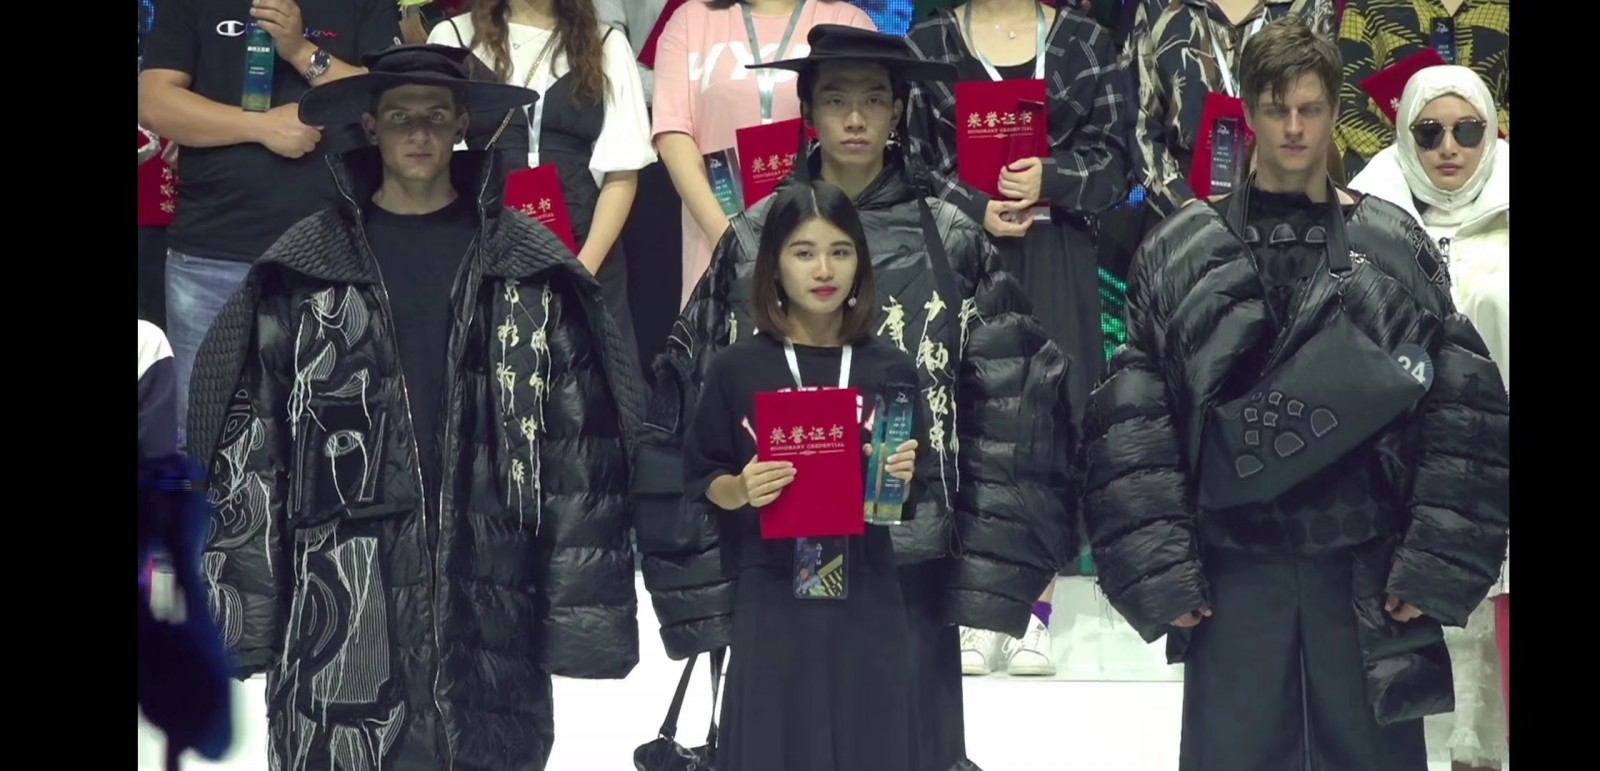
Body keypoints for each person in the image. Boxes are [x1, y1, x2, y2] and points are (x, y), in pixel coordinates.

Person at [185, 44, 645, 771]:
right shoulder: (305, 268)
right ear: (371, 125)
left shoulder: (525, 265)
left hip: (489, 586)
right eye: (402, 117)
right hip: (342, 596)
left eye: (436, 115)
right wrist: (241, 618)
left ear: (463, 123)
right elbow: (252, 450)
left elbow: (576, 449)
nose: (420, 133)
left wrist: (584, 623)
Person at [635, 25, 1076, 771]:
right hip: (776, 555)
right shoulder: (753, 239)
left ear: (898, 112)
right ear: (808, 112)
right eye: (836, 99)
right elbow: (689, 403)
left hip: (908, 545)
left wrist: (992, 563)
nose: (855, 118)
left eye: (874, 99)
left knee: (907, 746)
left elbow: (1009, 401)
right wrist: (704, 567)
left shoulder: (952, 237)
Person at [1081, 18, 1508, 771]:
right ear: (1248, 111)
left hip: (1367, 570)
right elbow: (1136, 422)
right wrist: (1166, 572)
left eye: (1310, 109)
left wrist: (1429, 562)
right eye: (1277, 110)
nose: (1295, 128)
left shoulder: (1391, 244)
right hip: (1231, 570)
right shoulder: (1180, 251)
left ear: (1333, 108)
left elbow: (1459, 412)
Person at [905, 0, 1130, 678]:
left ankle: (1036, 610)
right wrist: (976, 205)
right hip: (958, 250)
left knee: (1046, 426)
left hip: (1056, 248)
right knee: (966, 420)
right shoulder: (929, 43)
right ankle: (976, 606)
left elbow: (1118, 165)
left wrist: (1049, 176)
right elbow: (911, 161)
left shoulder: (1086, 43)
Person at [683, 178, 924, 769]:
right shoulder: (737, 368)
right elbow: (703, 476)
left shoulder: (890, 368)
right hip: (772, 595)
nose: (824, 269)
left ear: (860, 263)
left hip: (868, 592)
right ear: (774, 265)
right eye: (804, 252)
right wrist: (741, 489)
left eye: (841, 251)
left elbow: (910, 497)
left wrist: (898, 477)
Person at [138, 0, 402, 449]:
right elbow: (154, 102)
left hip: (336, 259)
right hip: (211, 253)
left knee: (334, 440)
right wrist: (260, 127)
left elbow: (389, 102)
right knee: (201, 436)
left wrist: (300, 50)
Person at [1350, 65, 1509, 771]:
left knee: (1491, 628)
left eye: (1468, 131)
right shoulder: (1364, 219)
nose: (1449, 148)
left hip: (1499, 456)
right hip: (1400, 460)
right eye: (1430, 132)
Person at [428, 0, 657, 373]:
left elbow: (622, 172)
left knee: (590, 391)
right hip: (484, 252)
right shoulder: (453, 37)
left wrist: (582, 274)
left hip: (587, 248)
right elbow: (437, 167)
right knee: (492, 385)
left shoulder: (606, 43)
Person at [650, 0, 877, 310]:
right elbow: (673, 134)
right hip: (717, 249)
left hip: (822, 261)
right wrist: (732, 243)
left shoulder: (846, 21)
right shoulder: (691, 21)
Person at [1129, 0, 1335, 219]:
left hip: (1289, 210)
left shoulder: (1310, 6)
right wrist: (1186, 206)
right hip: (1181, 210)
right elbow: (1141, 126)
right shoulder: (1158, 7)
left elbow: (1322, 113)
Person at [1334, 0, 1509, 180]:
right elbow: (1346, 104)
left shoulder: (1504, 8)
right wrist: (1411, 154)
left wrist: (1484, 149)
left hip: (1495, 176)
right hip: (1394, 177)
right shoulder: (1368, 6)